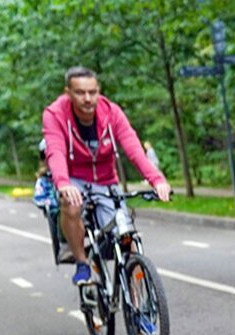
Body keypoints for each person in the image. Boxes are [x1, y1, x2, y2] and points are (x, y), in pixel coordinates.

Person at [41, 66, 172, 285]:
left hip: (106, 180)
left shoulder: (111, 112)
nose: (87, 98)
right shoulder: (55, 114)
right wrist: (63, 183)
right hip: (74, 179)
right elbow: (55, 151)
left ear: (98, 90)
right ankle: (82, 263)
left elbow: (133, 148)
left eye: (92, 92)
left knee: (125, 233)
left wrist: (156, 179)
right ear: (68, 92)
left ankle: (136, 291)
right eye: (80, 93)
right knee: (70, 204)